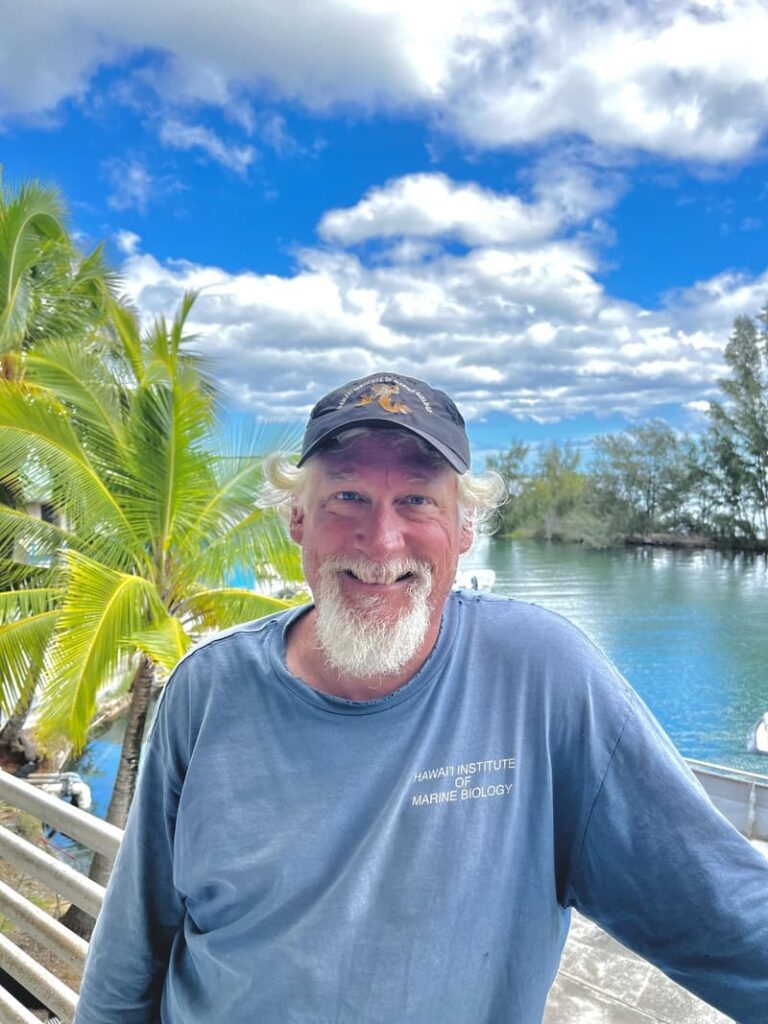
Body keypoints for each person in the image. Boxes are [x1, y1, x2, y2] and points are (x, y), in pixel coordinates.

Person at [75, 372, 768, 1024]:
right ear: (298, 519)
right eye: (347, 497)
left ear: (464, 529)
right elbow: (133, 947)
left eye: (416, 500)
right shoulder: (206, 690)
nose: (381, 541)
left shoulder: (543, 677)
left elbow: (723, 913)